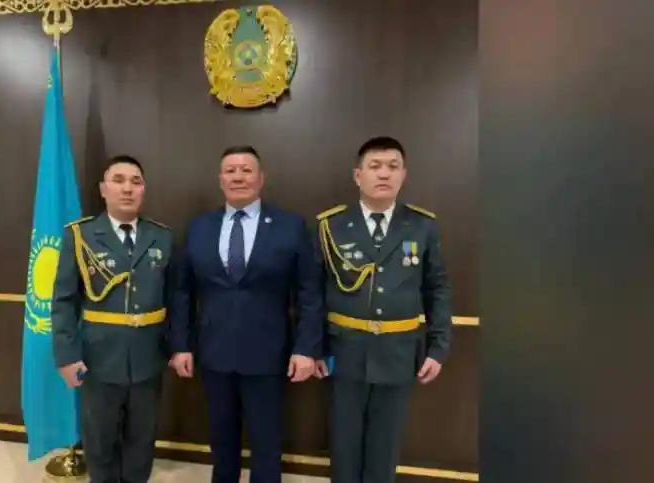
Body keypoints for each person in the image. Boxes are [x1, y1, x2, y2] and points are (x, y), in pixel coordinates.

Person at [169, 145, 324, 483]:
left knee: (266, 444)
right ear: (220, 179)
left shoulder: (290, 226)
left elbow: (310, 293)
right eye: (230, 171)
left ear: (261, 178)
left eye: (246, 170)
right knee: (221, 442)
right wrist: (180, 345)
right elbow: (182, 291)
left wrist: (306, 348)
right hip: (214, 353)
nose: (238, 177)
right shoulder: (199, 227)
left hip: (269, 354)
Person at [313, 136, 453, 483]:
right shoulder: (331, 224)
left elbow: (437, 287)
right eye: (374, 166)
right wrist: (314, 348)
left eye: (393, 166)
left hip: (399, 352)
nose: (384, 173)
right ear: (357, 175)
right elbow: (314, 292)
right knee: (344, 443)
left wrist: (438, 347)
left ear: (404, 174)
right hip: (343, 350)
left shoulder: (422, 225)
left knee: (385, 445)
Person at [51, 155, 175, 483]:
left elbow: (175, 299)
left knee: (142, 441)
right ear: (103, 189)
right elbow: (64, 300)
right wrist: (66, 355)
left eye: (136, 181)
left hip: (148, 358)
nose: (128, 188)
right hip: (98, 359)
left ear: (144, 190)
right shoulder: (81, 236)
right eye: (118, 180)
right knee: (100, 442)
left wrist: (177, 347)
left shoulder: (161, 237)